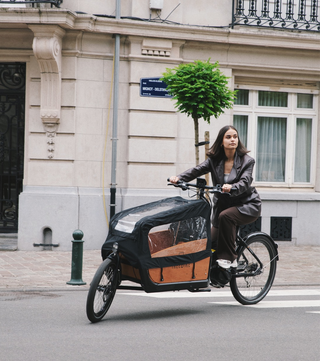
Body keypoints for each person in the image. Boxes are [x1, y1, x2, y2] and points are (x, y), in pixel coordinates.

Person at [169, 125, 261, 272]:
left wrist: (232, 187)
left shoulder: (247, 161)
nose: (232, 140)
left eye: (235, 137)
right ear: (221, 142)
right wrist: (179, 178)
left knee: (227, 216)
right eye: (228, 137)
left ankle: (230, 259)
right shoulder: (215, 160)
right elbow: (197, 170)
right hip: (223, 205)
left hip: (246, 205)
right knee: (209, 242)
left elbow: (245, 182)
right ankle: (211, 273)